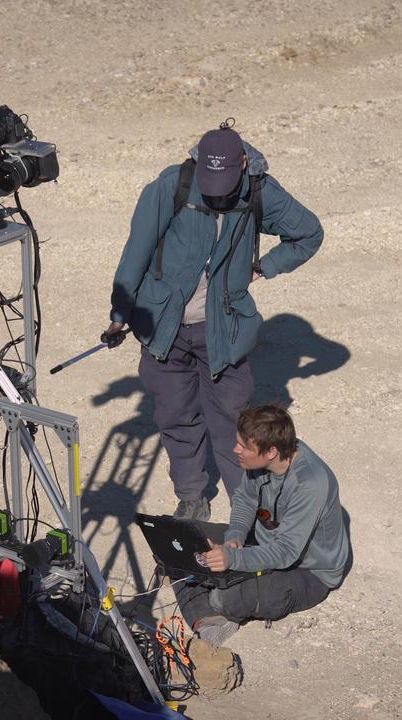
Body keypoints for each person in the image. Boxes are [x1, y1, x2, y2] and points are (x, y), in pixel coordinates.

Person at [104, 122, 324, 521]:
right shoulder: (172, 185)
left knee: (233, 420)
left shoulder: (260, 192)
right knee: (176, 416)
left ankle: (247, 503)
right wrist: (120, 315)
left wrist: (266, 267)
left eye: (224, 180)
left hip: (223, 330)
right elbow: (135, 251)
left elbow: (308, 233)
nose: (215, 189)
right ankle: (191, 496)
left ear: (243, 163)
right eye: (209, 179)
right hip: (163, 329)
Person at [170, 403, 351, 647]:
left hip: (307, 570)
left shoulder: (310, 482)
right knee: (180, 538)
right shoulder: (260, 462)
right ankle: (207, 615)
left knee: (233, 594)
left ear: (271, 452)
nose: (235, 450)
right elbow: (245, 499)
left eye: (243, 447)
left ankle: (211, 598)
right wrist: (236, 536)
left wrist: (233, 559)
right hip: (263, 542)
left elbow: (286, 552)